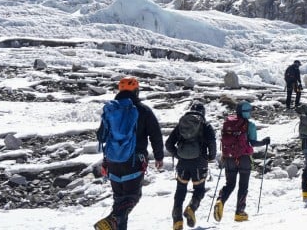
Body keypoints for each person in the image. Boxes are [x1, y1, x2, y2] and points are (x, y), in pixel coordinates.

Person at [94, 76, 164, 230]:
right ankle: (113, 219)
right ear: (136, 91)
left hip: (113, 161)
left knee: (119, 200)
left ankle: (115, 221)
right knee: (132, 197)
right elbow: (155, 135)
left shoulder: (112, 109)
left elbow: (101, 136)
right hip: (134, 161)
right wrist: (159, 157)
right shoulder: (144, 110)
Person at [214, 100, 270, 223]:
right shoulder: (250, 125)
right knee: (243, 186)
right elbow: (253, 142)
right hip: (244, 158)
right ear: (245, 112)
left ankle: (220, 200)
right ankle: (239, 212)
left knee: (230, 184)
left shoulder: (228, 123)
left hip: (229, 158)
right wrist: (264, 142)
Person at [165, 100, 217, 230]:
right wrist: (210, 157)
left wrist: (178, 155)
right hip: (199, 163)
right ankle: (191, 208)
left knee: (180, 191)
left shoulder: (182, 124)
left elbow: (168, 144)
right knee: (199, 190)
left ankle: (177, 219)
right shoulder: (206, 125)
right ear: (203, 112)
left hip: (183, 163)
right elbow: (212, 143)